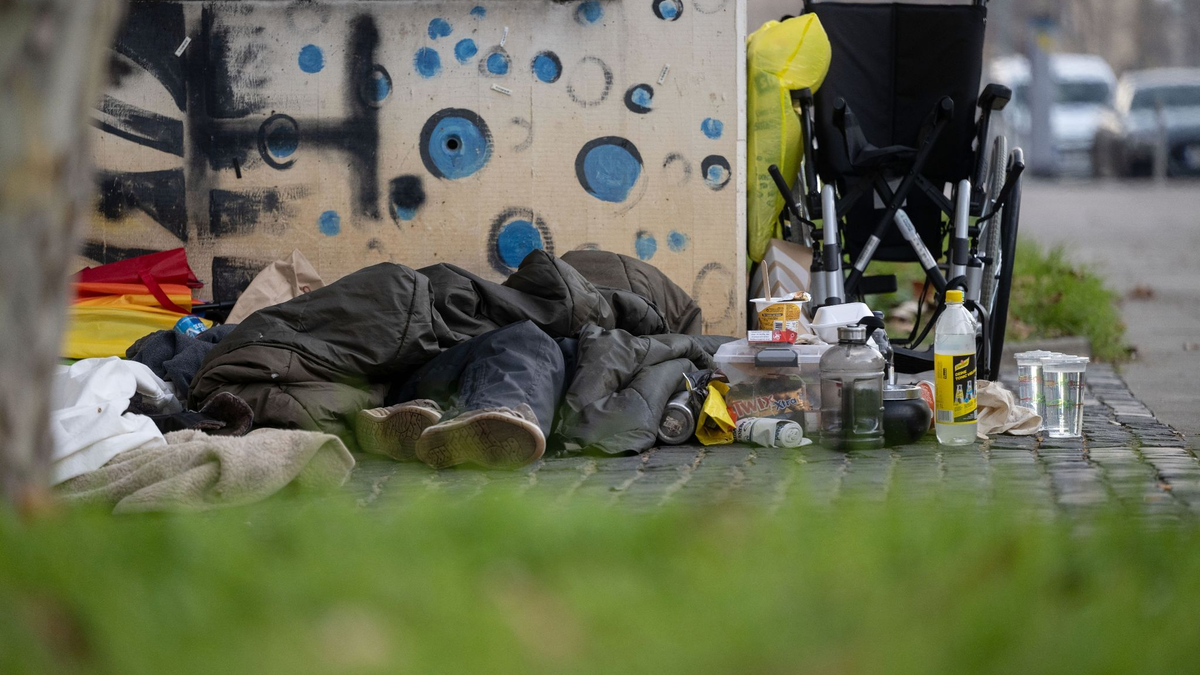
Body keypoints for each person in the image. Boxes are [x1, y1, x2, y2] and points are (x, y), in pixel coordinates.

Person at [355, 321, 575, 469]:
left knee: (531, 345)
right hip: (437, 365)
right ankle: (490, 413)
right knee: (529, 341)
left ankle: (434, 416)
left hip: (442, 374)